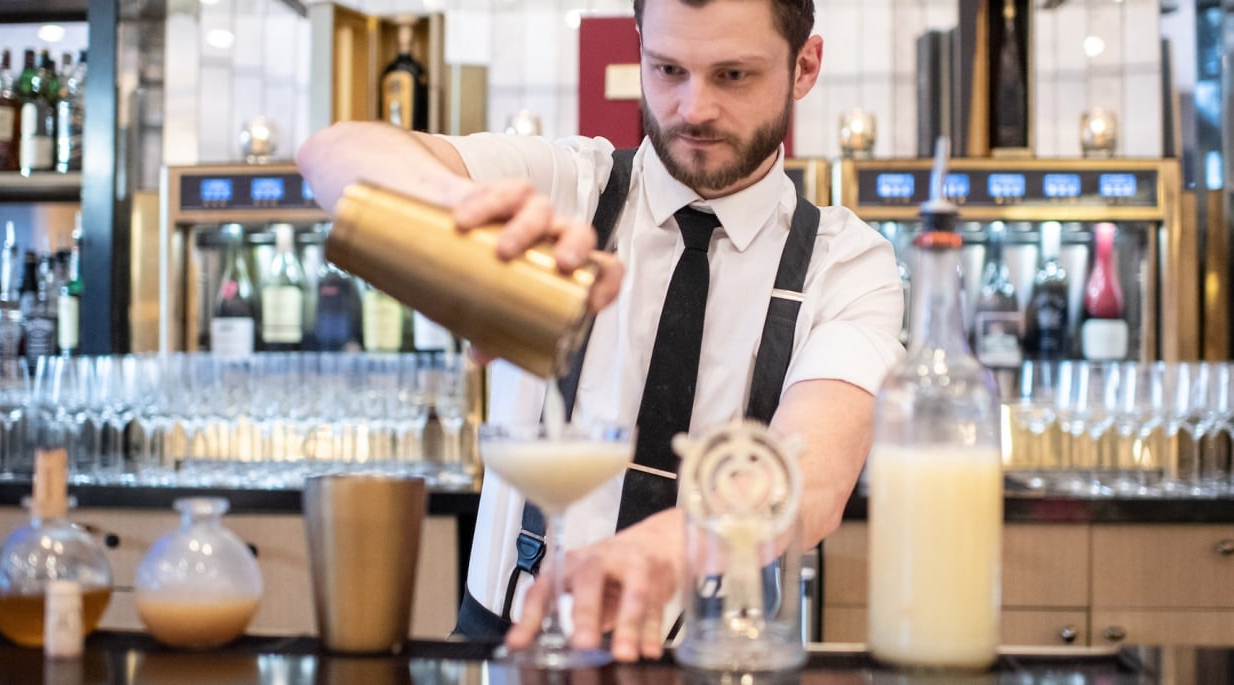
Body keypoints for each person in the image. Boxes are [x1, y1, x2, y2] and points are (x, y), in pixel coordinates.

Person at [298, 0, 904, 663]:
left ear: (804, 66)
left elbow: (815, 468)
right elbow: (332, 153)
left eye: (733, 75)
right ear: (639, 48)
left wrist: (676, 541)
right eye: (668, 68)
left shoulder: (846, 261)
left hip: (715, 662)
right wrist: (458, 211)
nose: (694, 107)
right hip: (513, 647)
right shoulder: (565, 185)